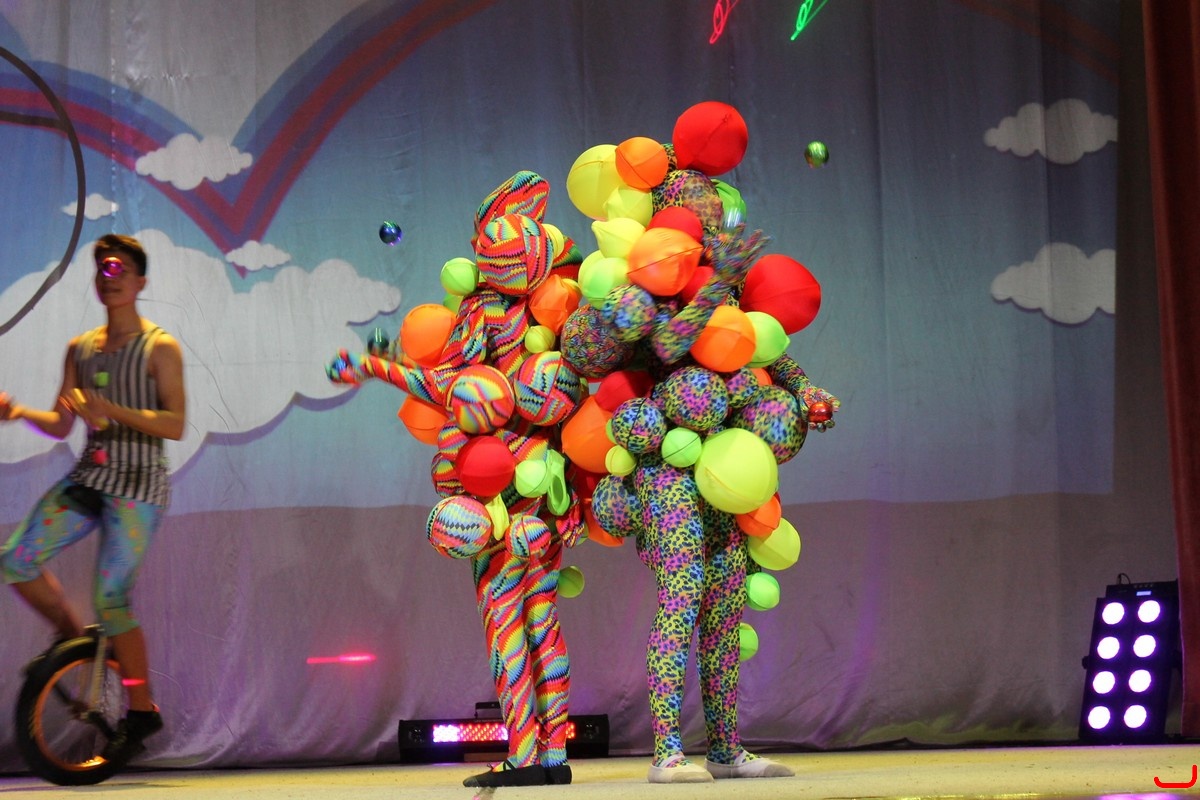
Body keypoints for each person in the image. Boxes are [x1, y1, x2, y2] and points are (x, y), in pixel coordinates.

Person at [0, 233, 186, 765]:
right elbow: (62, 423)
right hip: (90, 478)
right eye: (103, 268)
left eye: (121, 268)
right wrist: (17, 413)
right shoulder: (80, 348)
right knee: (16, 559)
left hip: (138, 486)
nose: (111, 276)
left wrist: (112, 410)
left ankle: (142, 711)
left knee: (112, 600)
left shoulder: (160, 348)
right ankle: (72, 643)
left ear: (140, 281)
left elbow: (174, 423)